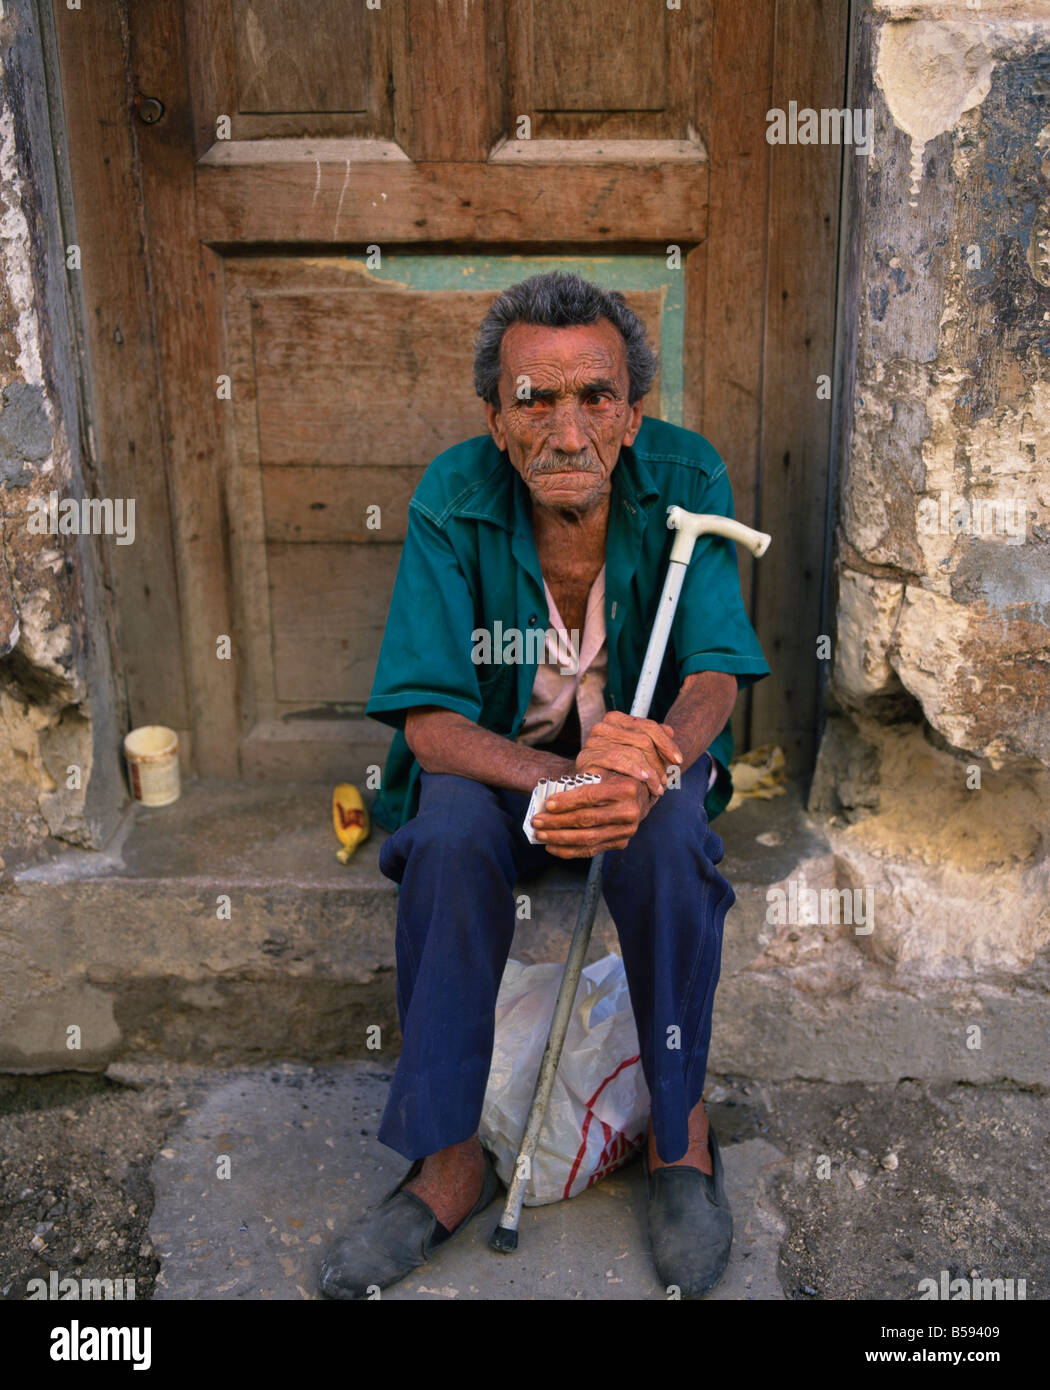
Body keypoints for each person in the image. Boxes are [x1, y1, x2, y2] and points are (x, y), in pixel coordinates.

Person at [318, 272, 770, 1300]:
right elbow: (431, 724)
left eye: (596, 398)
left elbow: (714, 674)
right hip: (504, 771)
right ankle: (448, 1160)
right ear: (495, 415)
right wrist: (564, 781)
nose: (568, 430)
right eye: (534, 399)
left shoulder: (688, 476)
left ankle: (680, 1137)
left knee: (673, 842)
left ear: (633, 411)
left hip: (635, 774)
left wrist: (653, 767)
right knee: (444, 838)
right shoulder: (452, 493)